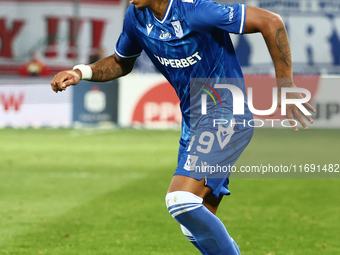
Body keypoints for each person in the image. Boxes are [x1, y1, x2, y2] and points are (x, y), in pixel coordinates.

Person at [50, 0, 316, 254]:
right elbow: (121, 62)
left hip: (226, 114)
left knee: (181, 201)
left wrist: (285, 86)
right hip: (195, 122)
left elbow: (271, 21)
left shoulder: (198, 11)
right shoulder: (136, 17)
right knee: (194, 222)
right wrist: (80, 72)